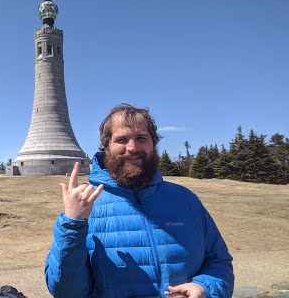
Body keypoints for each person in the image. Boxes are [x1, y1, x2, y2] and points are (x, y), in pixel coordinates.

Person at [45, 104, 234, 298]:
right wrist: (72, 225)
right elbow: (66, 292)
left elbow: (219, 262)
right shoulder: (85, 205)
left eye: (141, 138)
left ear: (153, 143)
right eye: (122, 139)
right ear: (106, 147)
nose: (133, 148)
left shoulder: (187, 201)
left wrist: (205, 289)